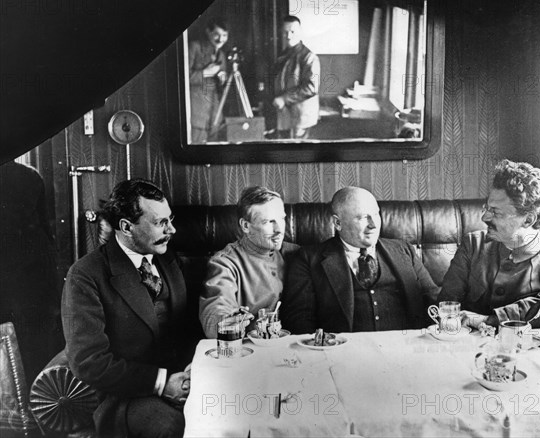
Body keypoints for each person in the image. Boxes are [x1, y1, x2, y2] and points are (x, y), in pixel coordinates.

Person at [62, 179, 195, 438]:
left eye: (170, 219)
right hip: (126, 397)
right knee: (177, 429)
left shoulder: (167, 258)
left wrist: (192, 368)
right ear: (126, 227)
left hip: (183, 380)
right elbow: (88, 362)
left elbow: (187, 325)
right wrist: (161, 383)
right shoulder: (86, 275)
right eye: (160, 223)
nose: (173, 230)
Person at [439, 159, 540, 329]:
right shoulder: (473, 245)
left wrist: (490, 320)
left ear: (528, 219)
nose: (484, 218)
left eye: (495, 212)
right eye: (487, 208)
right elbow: (447, 305)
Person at [280, 187, 439, 334]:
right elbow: (298, 319)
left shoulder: (404, 250)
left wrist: (453, 317)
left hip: (403, 348)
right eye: (363, 218)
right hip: (342, 354)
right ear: (338, 223)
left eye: (376, 214)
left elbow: (432, 296)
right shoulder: (308, 259)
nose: (373, 225)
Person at [199, 186, 299, 338]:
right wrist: (228, 321)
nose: (279, 229)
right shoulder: (225, 262)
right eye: (268, 222)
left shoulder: (297, 254)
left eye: (282, 218)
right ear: (246, 226)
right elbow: (216, 309)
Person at [0, 160, 62, 386]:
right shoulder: (29, 176)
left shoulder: (29, 177)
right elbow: (46, 232)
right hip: (34, 283)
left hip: (24, 282)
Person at [272, 15, 320, 139]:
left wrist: (284, 98)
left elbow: (311, 88)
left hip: (300, 117)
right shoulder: (283, 55)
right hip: (286, 115)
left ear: (300, 32)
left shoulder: (309, 57)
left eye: (293, 32)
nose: (288, 36)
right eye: (285, 32)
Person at [188, 18, 229, 143]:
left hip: (214, 116)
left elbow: (223, 87)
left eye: (224, 35)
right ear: (208, 32)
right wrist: (205, 73)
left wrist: (222, 78)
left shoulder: (221, 54)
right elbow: (182, 79)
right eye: (217, 34)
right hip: (197, 116)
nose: (220, 39)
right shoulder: (194, 47)